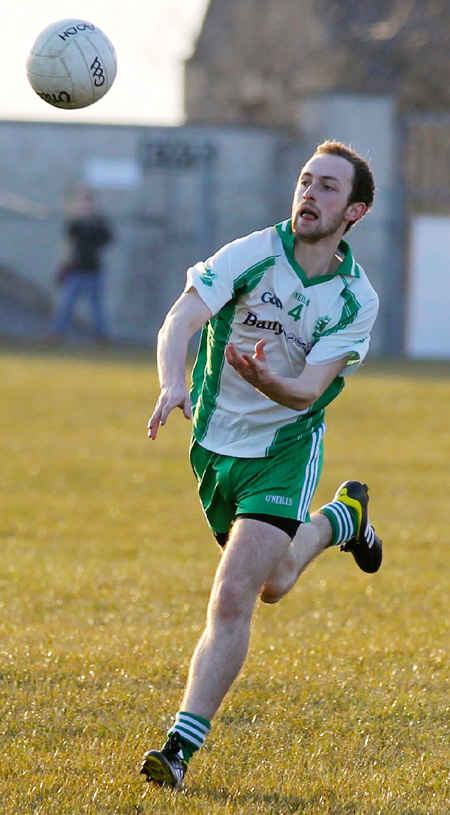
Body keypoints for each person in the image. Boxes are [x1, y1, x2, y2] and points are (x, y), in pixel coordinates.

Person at [140, 140, 383, 788]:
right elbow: (181, 318)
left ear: (354, 210)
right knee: (274, 581)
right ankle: (342, 519)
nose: (310, 193)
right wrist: (173, 381)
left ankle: (179, 747)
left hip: (284, 448)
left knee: (235, 592)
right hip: (216, 446)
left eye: (329, 187)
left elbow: (305, 390)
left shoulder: (356, 300)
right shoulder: (252, 254)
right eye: (306, 180)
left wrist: (268, 380)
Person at [50, 187, 113, 343]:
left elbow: (107, 239)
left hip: (94, 271)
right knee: (66, 306)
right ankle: (57, 334)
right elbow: (69, 234)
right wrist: (79, 217)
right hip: (76, 270)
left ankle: (102, 337)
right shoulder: (76, 222)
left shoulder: (100, 222)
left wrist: (93, 222)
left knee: (97, 308)